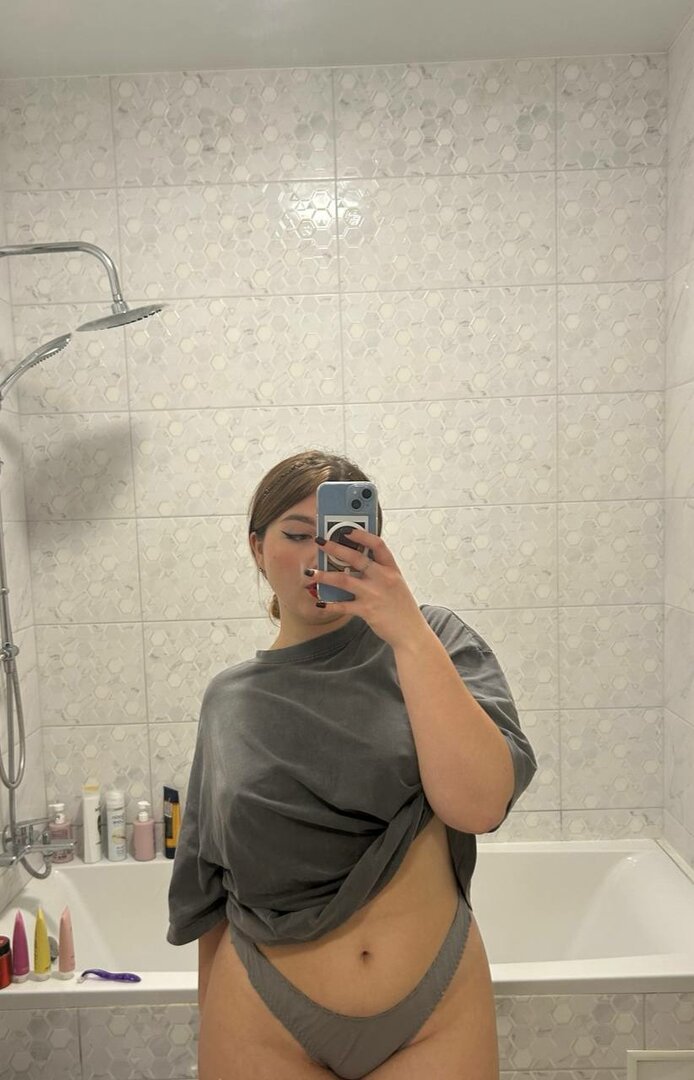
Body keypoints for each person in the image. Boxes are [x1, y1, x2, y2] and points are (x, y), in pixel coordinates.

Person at [167, 449, 538, 1080]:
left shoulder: (434, 640)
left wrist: (406, 631)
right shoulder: (229, 699)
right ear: (257, 549)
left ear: (372, 542)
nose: (319, 556)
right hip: (261, 1014)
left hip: (433, 1011)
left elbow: (478, 805)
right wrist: (212, 1013)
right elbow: (209, 883)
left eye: (339, 535)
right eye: (295, 535)